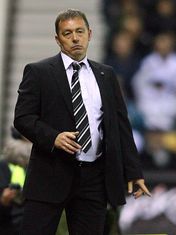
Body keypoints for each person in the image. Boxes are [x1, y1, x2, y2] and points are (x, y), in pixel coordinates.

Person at [13, 9, 151, 235]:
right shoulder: (39, 72)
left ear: (90, 34)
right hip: (50, 172)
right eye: (67, 33)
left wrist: (133, 171)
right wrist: (53, 137)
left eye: (79, 31)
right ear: (58, 40)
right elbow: (22, 118)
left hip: (94, 178)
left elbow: (121, 126)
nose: (75, 38)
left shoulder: (106, 74)